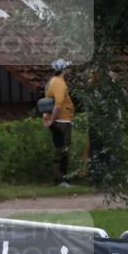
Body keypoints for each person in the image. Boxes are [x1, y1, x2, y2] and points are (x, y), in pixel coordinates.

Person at [44, 59, 75, 187]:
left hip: (60, 119)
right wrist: (52, 120)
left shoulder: (53, 81)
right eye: (67, 68)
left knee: (61, 148)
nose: (68, 70)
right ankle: (60, 179)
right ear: (63, 70)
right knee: (62, 149)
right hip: (62, 120)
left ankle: (62, 178)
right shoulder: (59, 84)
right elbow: (57, 105)